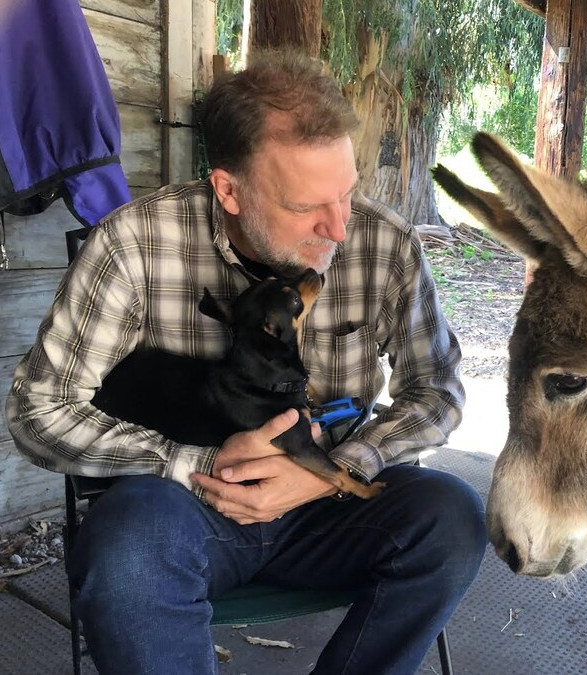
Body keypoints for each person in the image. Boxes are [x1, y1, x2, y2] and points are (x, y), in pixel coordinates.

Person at [5, 50, 487, 674]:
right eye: (304, 206)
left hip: (328, 506)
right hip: (186, 508)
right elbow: (37, 410)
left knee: (452, 519)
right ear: (229, 190)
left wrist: (332, 469)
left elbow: (439, 391)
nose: (338, 229)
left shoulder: (381, 242)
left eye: (345, 193)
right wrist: (194, 463)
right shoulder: (135, 244)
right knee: (124, 549)